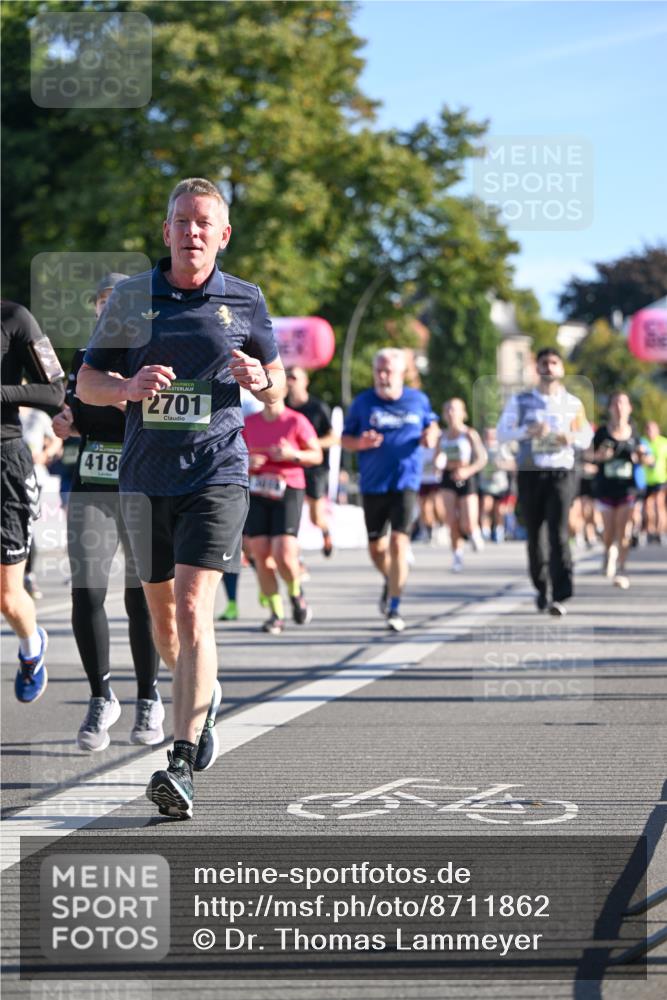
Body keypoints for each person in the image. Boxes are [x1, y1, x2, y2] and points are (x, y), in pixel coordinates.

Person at [77, 177, 284, 819]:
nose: (192, 231)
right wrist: (127, 387)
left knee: (195, 611)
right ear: (165, 231)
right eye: (182, 221)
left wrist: (262, 379)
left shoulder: (246, 299)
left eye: (204, 223)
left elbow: (278, 386)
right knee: (164, 623)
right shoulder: (132, 298)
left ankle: (181, 760)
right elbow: (86, 382)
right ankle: (206, 692)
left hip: (216, 471)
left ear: (223, 236)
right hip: (145, 478)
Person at [52, 273, 163, 751]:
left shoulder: (152, 354)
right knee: (86, 591)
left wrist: (126, 398)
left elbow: (173, 420)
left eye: (116, 302)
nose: (106, 309)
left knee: (142, 598)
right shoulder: (84, 359)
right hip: (92, 486)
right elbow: (77, 416)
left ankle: (149, 697)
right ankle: (101, 696)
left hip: (141, 488)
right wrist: (66, 423)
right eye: (101, 302)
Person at [341, 347, 439, 632]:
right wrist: (360, 443)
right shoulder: (363, 403)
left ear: (401, 374)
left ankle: (394, 606)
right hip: (373, 484)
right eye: (379, 371)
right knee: (376, 549)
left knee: (398, 543)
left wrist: (431, 436)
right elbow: (345, 439)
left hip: (405, 482)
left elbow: (432, 425)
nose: (383, 376)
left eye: (388, 371)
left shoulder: (417, 399)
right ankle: (391, 578)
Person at [497, 346, 592, 616]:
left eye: (554, 363)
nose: (549, 367)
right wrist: (527, 431)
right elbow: (502, 433)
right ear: (536, 368)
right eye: (544, 363)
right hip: (531, 473)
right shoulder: (521, 401)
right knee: (535, 535)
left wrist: (571, 437)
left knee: (558, 533)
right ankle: (542, 587)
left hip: (561, 472)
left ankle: (561, 592)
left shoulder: (572, 403)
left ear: (561, 368)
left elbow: (586, 437)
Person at [1, 301, 65, 701]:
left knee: (7, 597)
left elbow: (55, 390)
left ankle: (31, 646)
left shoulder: (14, 318)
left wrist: (2, 393)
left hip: (4, 463)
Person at [243, 391, 322, 634]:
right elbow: (232, 456)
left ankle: (296, 593)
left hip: (288, 488)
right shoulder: (248, 422)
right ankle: (276, 614)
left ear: (282, 391)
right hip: (257, 489)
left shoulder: (296, 420)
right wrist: (246, 462)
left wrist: (292, 455)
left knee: (284, 553)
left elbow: (316, 455)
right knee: (260, 553)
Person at [587, 392, 651, 589]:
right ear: (610, 408)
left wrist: (641, 457)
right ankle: (608, 552)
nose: (619, 407)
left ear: (629, 408)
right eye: (615, 403)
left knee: (623, 530)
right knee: (608, 531)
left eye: (623, 403)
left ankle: (622, 567)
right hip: (606, 487)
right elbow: (588, 456)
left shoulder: (635, 434)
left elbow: (649, 459)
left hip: (627, 489)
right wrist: (600, 456)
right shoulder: (601, 433)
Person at [286, 366, 337, 556]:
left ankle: (325, 531)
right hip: (291, 467)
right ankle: (293, 554)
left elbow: (333, 438)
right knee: (291, 514)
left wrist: (310, 446)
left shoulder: (317, 407)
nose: (290, 381)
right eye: (287, 377)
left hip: (315, 468)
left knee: (316, 517)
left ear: (305, 381)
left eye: (294, 377)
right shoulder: (283, 406)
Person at [437, 398, 487, 571]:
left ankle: (474, 531)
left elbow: (482, 459)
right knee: (451, 520)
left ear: (463, 413)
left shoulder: (469, 434)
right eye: (448, 410)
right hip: (448, 477)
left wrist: (468, 471)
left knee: (467, 522)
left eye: (454, 409)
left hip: (466, 476)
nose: (451, 413)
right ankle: (457, 555)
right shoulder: (442, 436)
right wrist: (437, 464)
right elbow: (436, 457)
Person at [20, 405, 63, 598]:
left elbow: (57, 439)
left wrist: (45, 455)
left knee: (24, 524)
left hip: (33, 477)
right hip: (5, 475)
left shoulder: (38, 416)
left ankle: (28, 575)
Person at [478, 426, 514, 544]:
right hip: (486, 484)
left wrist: (501, 465)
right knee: (486, 506)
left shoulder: (502, 448)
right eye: (487, 434)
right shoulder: (481, 448)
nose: (490, 437)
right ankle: (485, 531)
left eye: (492, 434)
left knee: (499, 510)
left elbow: (513, 464)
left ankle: (499, 531)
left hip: (500, 485)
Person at [644, 420, 667, 543]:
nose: (650, 432)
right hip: (646, 481)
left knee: (659, 504)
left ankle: (661, 531)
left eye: (652, 429)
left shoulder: (664, 443)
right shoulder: (643, 442)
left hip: (661, 479)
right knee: (648, 506)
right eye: (648, 429)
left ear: (657, 430)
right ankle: (650, 530)